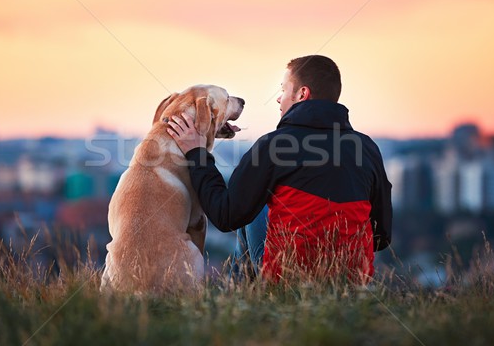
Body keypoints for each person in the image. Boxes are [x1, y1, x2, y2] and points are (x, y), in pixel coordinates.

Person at [167, 55, 392, 284]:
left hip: (288, 279)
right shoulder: (366, 148)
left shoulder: (274, 146)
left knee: (251, 209)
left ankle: (240, 299)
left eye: (283, 90)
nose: (278, 99)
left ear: (302, 94)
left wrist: (197, 154)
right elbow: (381, 236)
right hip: (352, 280)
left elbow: (225, 216)